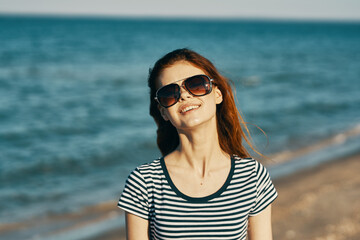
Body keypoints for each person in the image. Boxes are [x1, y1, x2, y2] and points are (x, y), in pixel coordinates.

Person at [118, 48, 278, 240]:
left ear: (217, 93)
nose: (184, 96)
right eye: (170, 93)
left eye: (196, 84)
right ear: (163, 112)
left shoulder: (252, 176)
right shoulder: (144, 182)